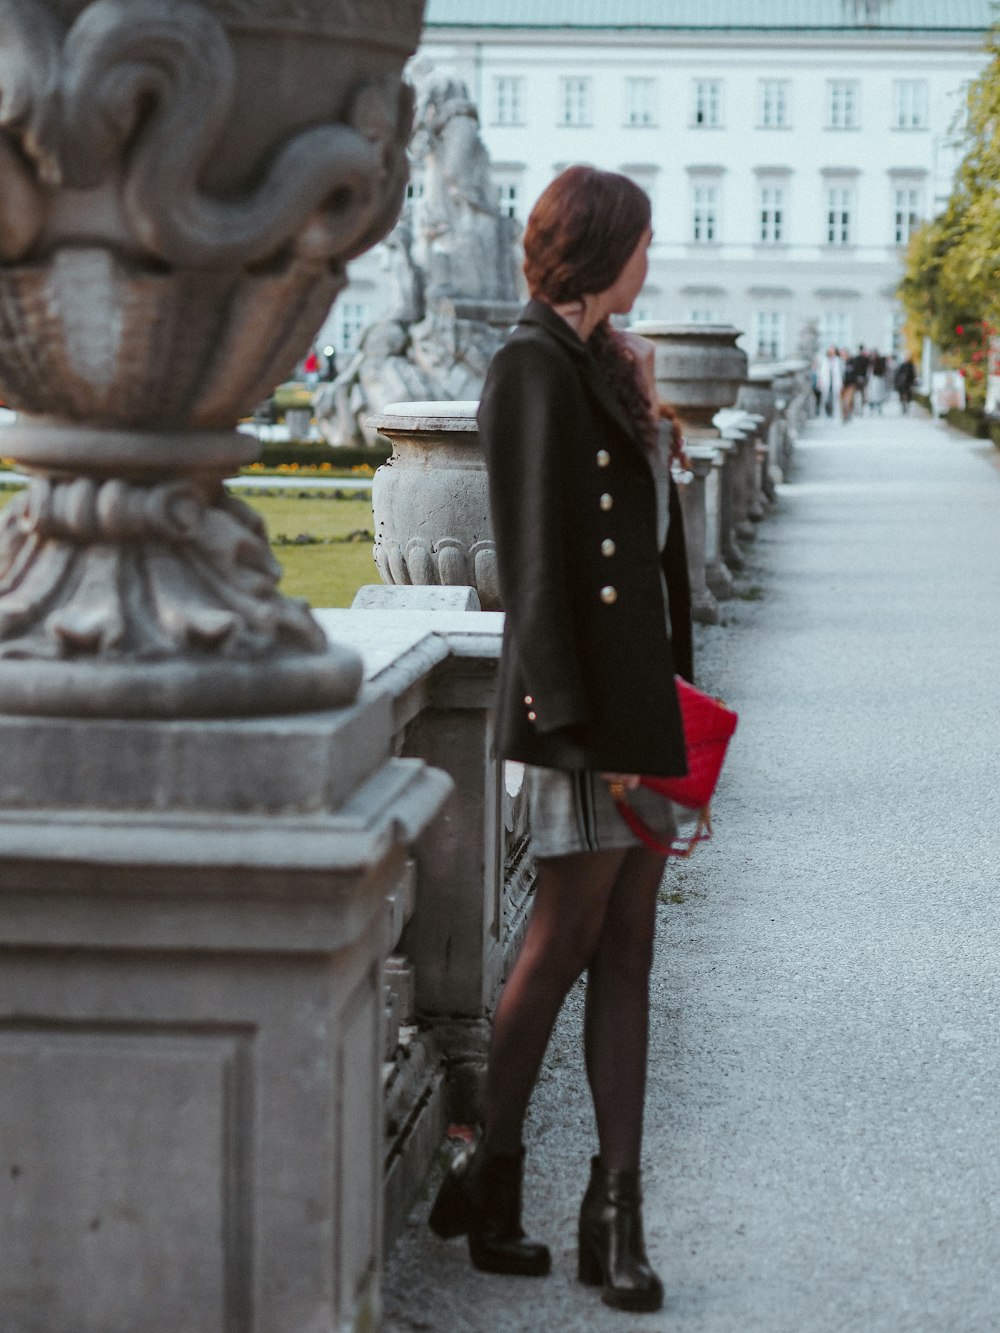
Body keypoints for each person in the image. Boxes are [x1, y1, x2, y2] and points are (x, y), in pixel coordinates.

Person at [428, 166, 693, 1316]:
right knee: (561, 938)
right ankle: (491, 1177)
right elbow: (534, 571)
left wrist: (674, 709)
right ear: (601, 247)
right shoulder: (529, 366)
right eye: (641, 242)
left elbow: (652, 558)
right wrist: (585, 734)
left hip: (646, 708)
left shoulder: (605, 364)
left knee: (627, 948)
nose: (651, 262)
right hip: (581, 719)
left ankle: (612, 1213)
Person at [817, 344, 843, 418]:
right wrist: (819, 382)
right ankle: (824, 415)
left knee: (836, 399)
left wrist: (841, 383)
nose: (831, 352)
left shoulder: (838, 360)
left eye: (833, 350)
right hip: (826, 383)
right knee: (824, 399)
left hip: (835, 383)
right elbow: (820, 373)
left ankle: (835, 415)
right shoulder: (824, 360)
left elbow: (840, 373)